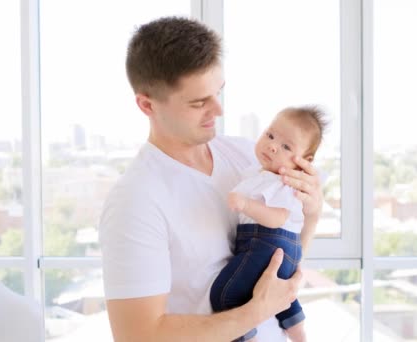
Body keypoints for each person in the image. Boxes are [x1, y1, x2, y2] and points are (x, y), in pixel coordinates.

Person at [99, 16, 324, 341]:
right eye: (198, 102)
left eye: (218, 92)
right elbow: (138, 335)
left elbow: (281, 261)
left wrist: (312, 214)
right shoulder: (135, 201)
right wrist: (256, 311)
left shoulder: (250, 157)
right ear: (147, 105)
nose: (218, 109)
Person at [210, 106, 328, 342]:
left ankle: (248, 337)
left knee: (225, 295)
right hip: (282, 248)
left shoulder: (283, 181)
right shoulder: (261, 173)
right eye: (270, 135)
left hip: (265, 243)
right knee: (284, 296)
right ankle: (298, 333)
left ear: (305, 160)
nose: (272, 146)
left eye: (286, 147)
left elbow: (278, 218)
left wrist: (245, 204)